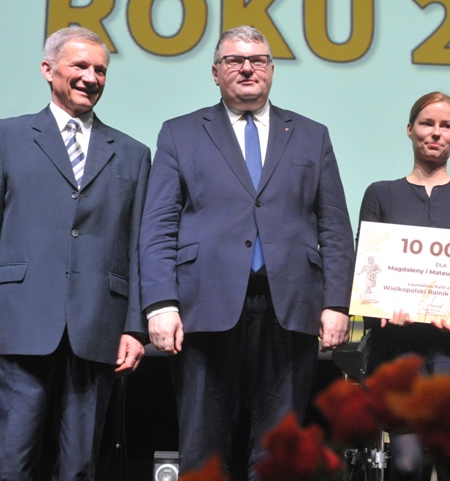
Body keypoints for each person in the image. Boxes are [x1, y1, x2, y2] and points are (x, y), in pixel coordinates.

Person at [139, 25, 355, 480]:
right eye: (234, 60)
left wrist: (337, 303)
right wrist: (160, 303)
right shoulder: (179, 133)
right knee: (203, 450)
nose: (247, 68)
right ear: (215, 72)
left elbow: (334, 225)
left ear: (271, 70)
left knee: (279, 453)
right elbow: (158, 226)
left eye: (257, 60)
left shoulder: (312, 135)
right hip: (202, 307)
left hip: (290, 307)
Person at [0, 26, 150, 480]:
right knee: (11, 462)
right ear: (48, 70)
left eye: (100, 70)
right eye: (80, 66)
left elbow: (138, 247)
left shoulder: (133, 153)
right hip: (20, 321)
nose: (91, 77)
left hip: (99, 325)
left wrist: (134, 327)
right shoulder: (3, 137)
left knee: (80, 466)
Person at [358, 91, 450, 481]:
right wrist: (381, 306)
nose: (436, 133)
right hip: (398, 351)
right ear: (410, 129)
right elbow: (366, 267)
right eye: (427, 123)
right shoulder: (380, 194)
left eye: (446, 126)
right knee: (406, 465)